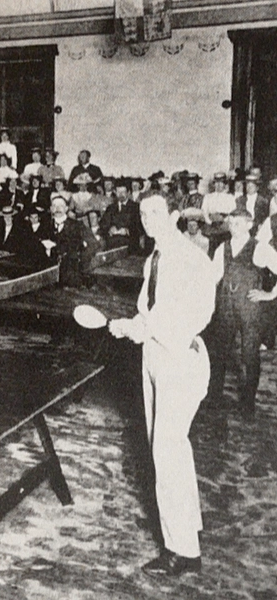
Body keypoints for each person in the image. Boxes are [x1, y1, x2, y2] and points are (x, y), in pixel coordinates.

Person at [109, 194, 216, 577]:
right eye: (142, 213)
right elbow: (147, 311)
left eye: (156, 212)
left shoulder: (190, 259)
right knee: (167, 452)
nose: (148, 219)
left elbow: (197, 313)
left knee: (168, 453)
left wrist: (143, 329)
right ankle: (187, 532)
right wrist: (132, 327)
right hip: (153, 358)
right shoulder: (153, 259)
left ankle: (182, 551)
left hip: (178, 361)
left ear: (173, 215)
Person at [206, 208, 263, 415]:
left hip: (249, 309)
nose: (233, 227)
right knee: (219, 352)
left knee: (250, 355)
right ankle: (215, 397)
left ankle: (248, 403)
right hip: (226, 306)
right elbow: (213, 276)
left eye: (238, 223)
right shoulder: (223, 247)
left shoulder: (259, 247)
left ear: (249, 224)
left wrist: (269, 294)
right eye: (231, 223)